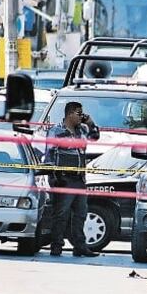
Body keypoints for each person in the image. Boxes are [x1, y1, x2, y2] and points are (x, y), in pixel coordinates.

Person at [45, 101, 100, 257]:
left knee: (81, 214)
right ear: (69, 114)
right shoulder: (56, 131)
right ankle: (56, 246)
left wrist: (91, 123)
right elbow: (49, 156)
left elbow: (95, 137)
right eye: (79, 113)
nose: (81, 116)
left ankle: (80, 246)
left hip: (79, 180)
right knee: (61, 214)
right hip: (64, 179)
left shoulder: (82, 130)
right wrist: (53, 178)